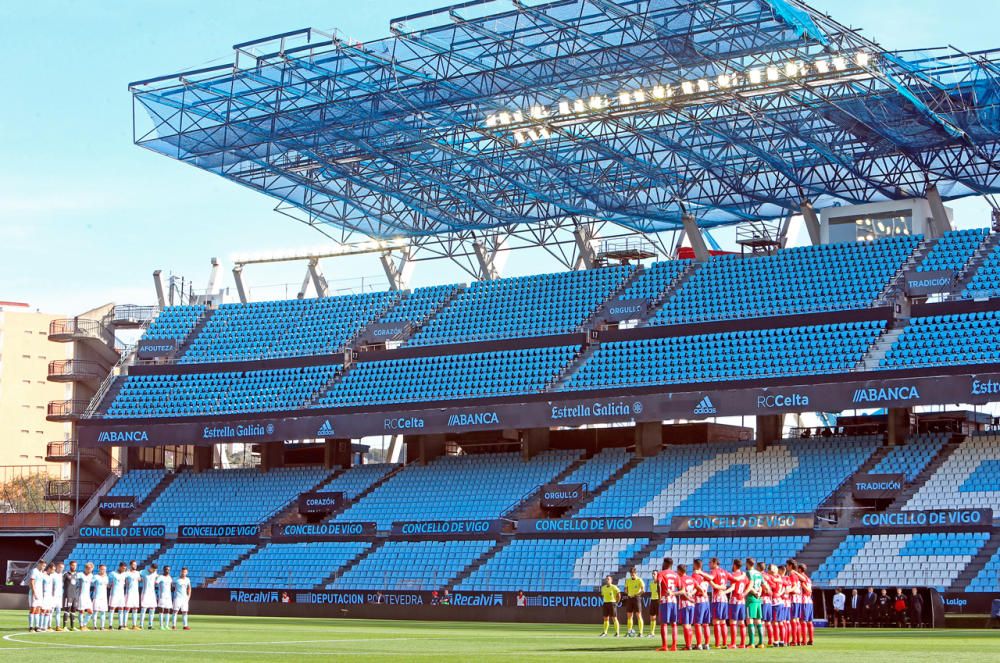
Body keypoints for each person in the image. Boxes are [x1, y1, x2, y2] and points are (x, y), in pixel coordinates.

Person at [703, 557, 730, 649]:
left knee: (716, 622)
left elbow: (711, 577)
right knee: (723, 622)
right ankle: (724, 643)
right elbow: (733, 580)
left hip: (717, 598)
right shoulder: (725, 572)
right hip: (724, 599)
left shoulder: (714, 571)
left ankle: (717, 644)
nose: (709, 564)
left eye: (710, 562)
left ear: (715, 563)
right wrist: (724, 588)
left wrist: (701, 573)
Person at [656, 557, 680, 651]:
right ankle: (674, 646)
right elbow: (681, 589)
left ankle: (665, 646)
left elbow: (658, 583)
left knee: (664, 623)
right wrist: (674, 593)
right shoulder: (675, 575)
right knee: (674, 623)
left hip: (665, 600)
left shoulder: (661, 573)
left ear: (666, 564)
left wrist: (659, 597)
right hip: (674, 600)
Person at [726, 559, 749, 649]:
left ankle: (733, 643)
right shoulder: (744, 576)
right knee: (741, 622)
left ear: (734, 565)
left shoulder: (734, 575)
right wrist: (744, 594)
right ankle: (743, 643)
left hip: (735, 600)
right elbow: (749, 584)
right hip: (742, 601)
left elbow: (733, 587)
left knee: (733, 622)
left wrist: (725, 592)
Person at [691, 559, 711, 650]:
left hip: (699, 600)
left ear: (695, 565)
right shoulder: (705, 575)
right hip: (706, 601)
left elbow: (696, 587)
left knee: (697, 623)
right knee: (706, 624)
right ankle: (707, 644)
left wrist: (690, 594)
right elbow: (711, 579)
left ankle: (699, 644)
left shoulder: (695, 575)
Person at [677, 564, 697, 651]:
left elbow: (683, 592)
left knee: (686, 625)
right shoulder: (691, 579)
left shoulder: (681, 579)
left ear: (680, 571)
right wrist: (692, 594)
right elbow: (698, 588)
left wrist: (688, 597)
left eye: (677, 570)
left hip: (685, 603)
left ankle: (688, 645)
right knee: (689, 625)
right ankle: (690, 644)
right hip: (691, 604)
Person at [745, 558, 765, 648]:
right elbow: (761, 585)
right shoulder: (759, 573)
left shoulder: (749, 572)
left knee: (749, 620)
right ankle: (761, 643)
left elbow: (749, 585)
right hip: (758, 599)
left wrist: (754, 592)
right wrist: (759, 593)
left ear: (747, 564)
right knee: (758, 620)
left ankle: (751, 643)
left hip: (751, 598)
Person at [623, 566, 645, 637]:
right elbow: (625, 589)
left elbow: (643, 590)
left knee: (638, 615)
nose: (632, 575)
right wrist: (627, 592)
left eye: (633, 573)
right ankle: (629, 631)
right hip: (630, 598)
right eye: (631, 573)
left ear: (635, 573)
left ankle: (641, 633)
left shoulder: (639, 580)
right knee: (629, 616)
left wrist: (636, 594)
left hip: (636, 598)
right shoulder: (628, 580)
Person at [63, 561, 82, 631]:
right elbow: (61, 583)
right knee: (67, 610)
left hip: (75, 595)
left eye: (75, 566)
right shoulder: (66, 574)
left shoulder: (77, 575)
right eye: (73, 565)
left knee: (74, 610)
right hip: (68, 595)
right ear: (70, 565)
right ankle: (64, 627)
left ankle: (72, 626)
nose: (74, 567)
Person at [27, 560, 45, 632]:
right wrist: (34, 592)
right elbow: (31, 582)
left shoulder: (41, 572)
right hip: (34, 593)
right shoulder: (34, 571)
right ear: (39, 564)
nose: (44, 567)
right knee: (33, 610)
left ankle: (37, 627)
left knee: (38, 610)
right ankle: (31, 627)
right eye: (43, 566)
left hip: (40, 594)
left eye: (44, 566)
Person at [140, 563, 160, 629]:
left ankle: (150, 625)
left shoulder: (155, 573)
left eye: (155, 570)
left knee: (152, 609)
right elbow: (137, 575)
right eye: (153, 569)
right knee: (144, 609)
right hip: (145, 592)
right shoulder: (143, 572)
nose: (154, 571)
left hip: (152, 593)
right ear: (150, 567)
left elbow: (158, 576)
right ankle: (141, 625)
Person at [93, 564, 111, 630]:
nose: (103, 570)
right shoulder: (95, 576)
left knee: (103, 612)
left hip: (104, 597)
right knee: (95, 611)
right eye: (102, 569)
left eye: (104, 569)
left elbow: (107, 586)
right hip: (97, 596)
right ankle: (94, 626)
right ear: (99, 569)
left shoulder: (106, 577)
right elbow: (90, 583)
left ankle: (102, 626)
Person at [110, 562, 128, 629]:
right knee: (112, 608)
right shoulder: (113, 573)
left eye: (125, 568)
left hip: (121, 594)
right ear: (120, 567)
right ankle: (110, 625)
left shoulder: (125, 574)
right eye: (123, 568)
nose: (124, 569)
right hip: (114, 594)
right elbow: (108, 581)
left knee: (121, 609)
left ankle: (120, 625)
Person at [79, 563, 95, 630]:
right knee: (81, 611)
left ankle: (84, 624)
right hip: (81, 595)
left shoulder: (91, 575)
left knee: (90, 611)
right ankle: (81, 626)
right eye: (88, 568)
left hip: (87, 596)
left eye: (91, 569)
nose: (89, 570)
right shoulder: (80, 575)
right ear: (85, 568)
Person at [156, 566, 174, 630]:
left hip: (168, 596)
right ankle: (161, 625)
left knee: (168, 610)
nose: (167, 571)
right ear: (163, 570)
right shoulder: (160, 577)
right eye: (166, 569)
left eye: (168, 570)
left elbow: (171, 586)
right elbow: (156, 583)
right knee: (161, 610)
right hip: (162, 596)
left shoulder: (169, 577)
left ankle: (166, 625)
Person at [126, 560, 142, 630]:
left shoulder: (137, 573)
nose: (135, 566)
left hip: (136, 593)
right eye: (133, 565)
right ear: (130, 565)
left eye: (136, 565)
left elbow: (139, 579)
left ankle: (134, 625)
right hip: (129, 592)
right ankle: (124, 625)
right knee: (127, 609)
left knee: (135, 609)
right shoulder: (127, 573)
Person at [51, 562, 65, 631]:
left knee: (58, 611)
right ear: (57, 567)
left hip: (59, 596)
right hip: (53, 596)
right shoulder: (53, 575)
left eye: (62, 567)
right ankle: (48, 626)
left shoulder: (61, 575)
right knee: (51, 611)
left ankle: (57, 626)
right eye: (60, 567)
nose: (61, 569)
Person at [647, 568, 659, 639]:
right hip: (652, 600)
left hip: (658, 600)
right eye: (652, 574)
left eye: (654, 574)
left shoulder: (659, 583)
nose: (653, 575)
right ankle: (652, 632)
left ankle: (663, 632)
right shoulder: (651, 584)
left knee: (660, 617)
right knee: (652, 617)